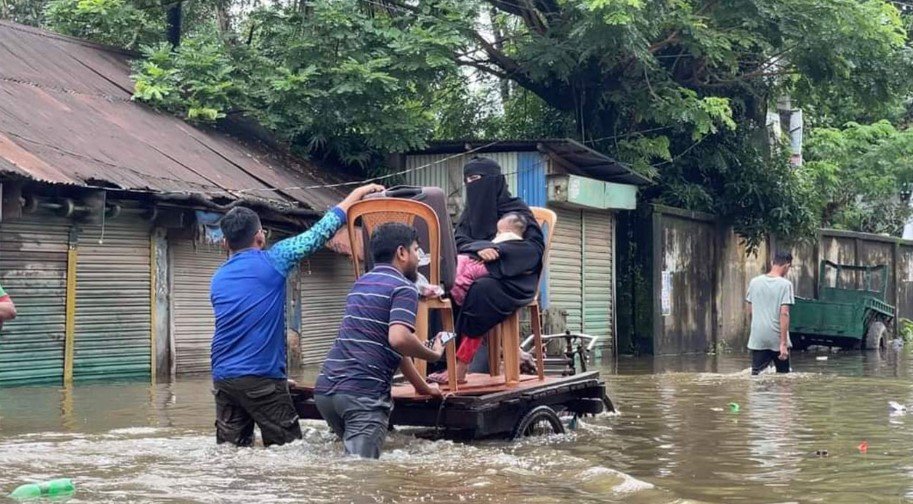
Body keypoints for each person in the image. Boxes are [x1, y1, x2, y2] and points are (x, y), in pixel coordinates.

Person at [209, 183, 383, 448]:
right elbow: (321, 231)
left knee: (232, 454)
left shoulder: (217, 278)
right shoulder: (274, 259)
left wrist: (275, 376)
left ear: (225, 242)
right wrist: (358, 194)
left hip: (224, 379)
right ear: (260, 236)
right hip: (261, 380)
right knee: (287, 452)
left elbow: (242, 328)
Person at [314, 222, 444, 459]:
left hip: (326, 391)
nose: (418, 258)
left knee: (348, 466)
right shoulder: (404, 288)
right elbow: (399, 339)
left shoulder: (360, 284)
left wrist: (423, 388)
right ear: (402, 253)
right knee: (361, 476)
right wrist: (433, 354)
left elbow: (393, 350)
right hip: (362, 394)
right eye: (416, 250)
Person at [428, 157, 545, 383]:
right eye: (468, 180)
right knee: (441, 290)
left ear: (494, 181)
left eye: (476, 179)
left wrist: (498, 252)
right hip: (472, 273)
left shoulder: (516, 211)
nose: (472, 184)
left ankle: (461, 367)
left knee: (481, 290)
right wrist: (480, 247)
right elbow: (457, 241)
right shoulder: (469, 215)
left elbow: (533, 250)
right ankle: (440, 360)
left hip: (512, 280)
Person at [450, 212, 528, 306]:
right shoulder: (521, 244)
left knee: (463, 265)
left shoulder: (507, 237)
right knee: (463, 264)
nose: (497, 235)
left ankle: (458, 293)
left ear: (507, 231)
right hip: (490, 267)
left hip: (489, 266)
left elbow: (493, 246)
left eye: (499, 232)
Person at [746, 251, 795, 375]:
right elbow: (784, 314)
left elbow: (750, 310)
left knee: (757, 377)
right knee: (784, 378)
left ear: (773, 263)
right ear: (787, 266)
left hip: (758, 338)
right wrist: (783, 344)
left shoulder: (754, 282)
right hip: (777, 338)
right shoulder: (786, 285)